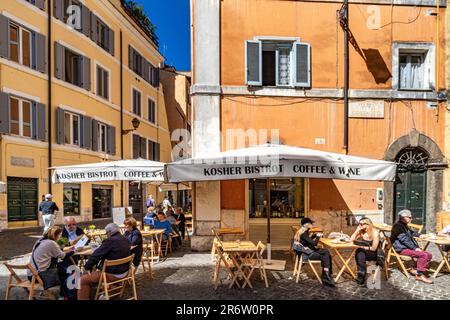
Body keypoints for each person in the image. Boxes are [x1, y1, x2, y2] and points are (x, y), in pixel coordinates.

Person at [78, 223, 131, 300]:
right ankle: (102, 294)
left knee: (82, 280)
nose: (106, 235)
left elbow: (96, 255)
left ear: (109, 232)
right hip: (125, 273)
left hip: (113, 274)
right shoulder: (126, 239)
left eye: (106, 233)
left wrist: (86, 267)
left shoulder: (110, 241)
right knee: (93, 273)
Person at [29, 226, 75, 299]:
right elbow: (63, 256)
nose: (60, 237)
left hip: (31, 274)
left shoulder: (40, 240)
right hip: (40, 275)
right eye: (59, 235)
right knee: (73, 271)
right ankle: (69, 296)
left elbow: (54, 251)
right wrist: (74, 251)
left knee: (63, 268)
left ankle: (63, 293)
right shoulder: (51, 243)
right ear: (55, 235)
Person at [390, 209, 433, 284]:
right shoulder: (398, 226)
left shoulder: (403, 225)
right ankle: (420, 275)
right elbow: (404, 240)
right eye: (410, 217)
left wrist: (420, 235)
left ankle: (416, 269)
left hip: (406, 247)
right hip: (401, 249)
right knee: (424, 255)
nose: (411, 219)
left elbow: (411, 233)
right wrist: (415, 248)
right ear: (404, 217)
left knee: (429, 255)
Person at [293, 218, 335, 287]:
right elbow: (314, 244)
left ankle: (326, 274)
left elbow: (308, 241)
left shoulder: (302, 232)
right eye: (311, 223)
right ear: (306, 224)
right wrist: (318, 237)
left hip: (306, 252)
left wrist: (314, 235)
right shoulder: (303, 234)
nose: (312, 224)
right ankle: (326, 275)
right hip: (308, 254)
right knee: (326, 253)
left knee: (326, 253)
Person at [350, 217, 381, 285]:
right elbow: (351, 240)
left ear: (367, 224)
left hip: (374, 254)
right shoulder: (362, 232)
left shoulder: (375, 233)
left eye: (361, 224)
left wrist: (363, 247)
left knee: (360, 251)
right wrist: (357, 230)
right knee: (359, 252)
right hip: (364, 253)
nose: (359, 225)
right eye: (359, 224)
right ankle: (361, 274)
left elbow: (374, 248)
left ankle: (361, 275)